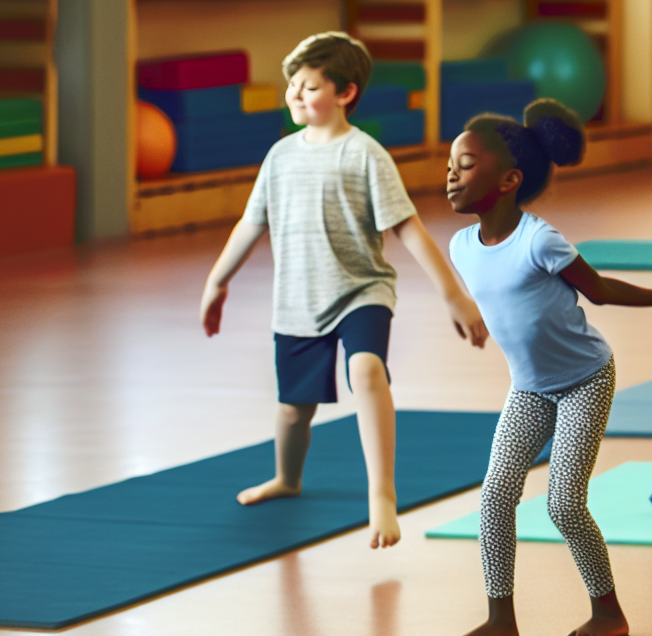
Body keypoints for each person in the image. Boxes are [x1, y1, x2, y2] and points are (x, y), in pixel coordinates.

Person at [202, 32, 487, 550]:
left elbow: (408, 229)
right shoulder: (280, 157)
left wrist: (454, 294)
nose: (295, 94)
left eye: (308, 86)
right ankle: (288, 478)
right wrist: (217, 280)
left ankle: (382, 495)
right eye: (292, 85)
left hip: (360, 290)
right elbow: (250, 224)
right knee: (293, 408)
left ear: (345, 93)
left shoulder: (365, 155)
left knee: (367, 370)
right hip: (298, 299)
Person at [441, 100, 652, 636]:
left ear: (510, 180)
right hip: (531, 388)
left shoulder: (539, 241)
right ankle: (500, 620)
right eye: (451, 162)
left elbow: (601, 289)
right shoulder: (462, 246)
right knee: (495, 497)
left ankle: (608, 612)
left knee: (563, 502)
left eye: (465, 164)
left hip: (585, 379)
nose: (450, 173)